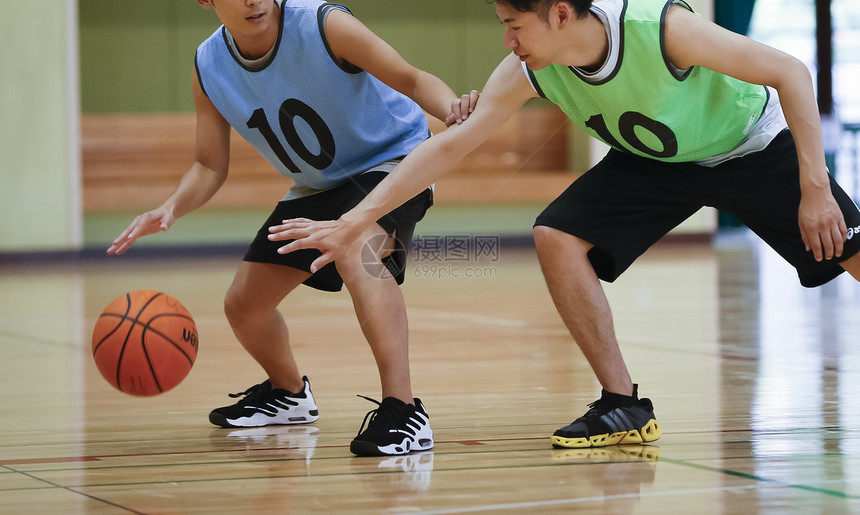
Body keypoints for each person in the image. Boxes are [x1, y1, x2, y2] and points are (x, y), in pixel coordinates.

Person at [268, 0, 860, 449]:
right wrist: (355, 219)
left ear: (557, 14)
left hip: (749, 148)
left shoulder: (660, 28)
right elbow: (449, 148)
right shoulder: (530, 68)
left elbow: (790, 72)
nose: (507, 39)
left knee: (851, 250)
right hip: (657, 163)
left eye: (514, 25)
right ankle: (623, 404)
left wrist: (814, 186)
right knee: (557, 234)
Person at [107, 0, 464, 457]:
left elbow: (411, 78)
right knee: (244, 305)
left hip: (391, 162)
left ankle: (404, 410)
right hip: (317, 186)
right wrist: (172, 206)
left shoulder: (323, 23)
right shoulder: (208, 64)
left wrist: (453, 111)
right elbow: (208, 165)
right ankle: (289, 394)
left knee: (360, 252)